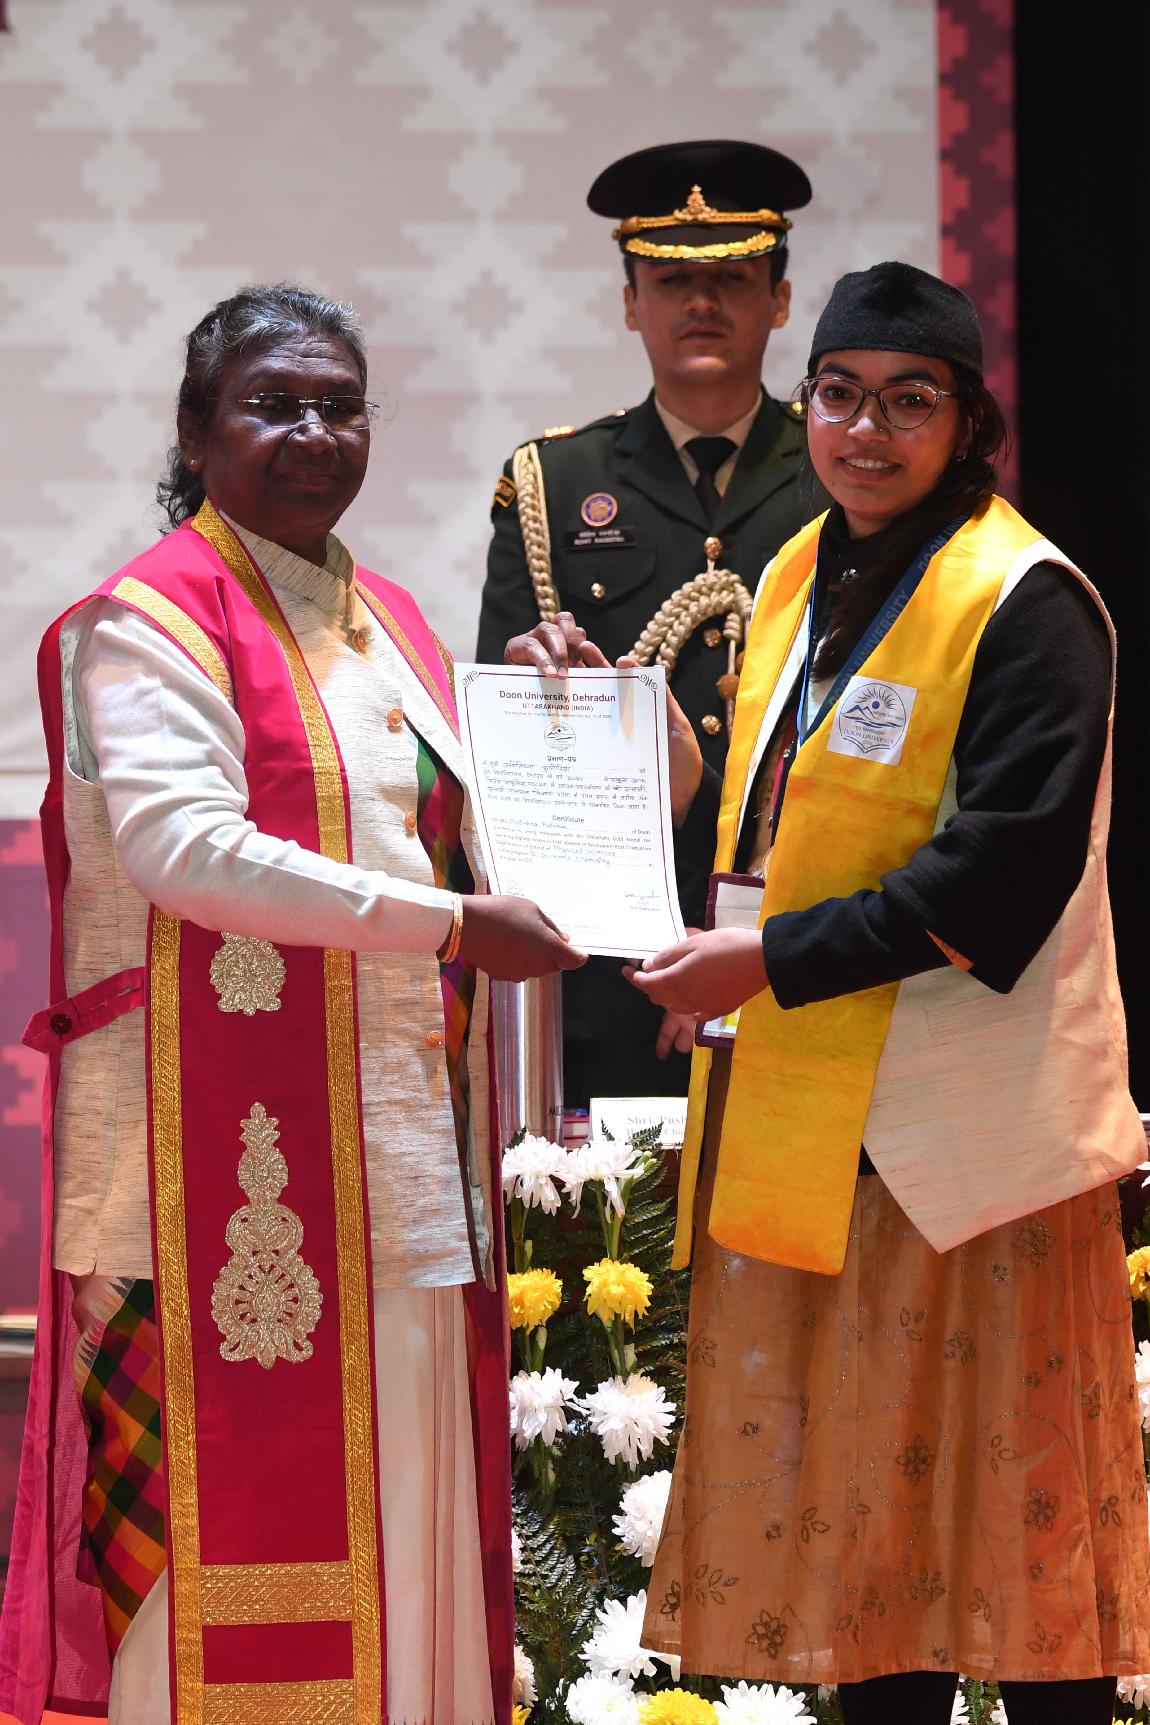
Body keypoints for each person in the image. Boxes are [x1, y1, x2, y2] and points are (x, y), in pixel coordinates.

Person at [512, 263, 1150, 1723]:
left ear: (968, 420)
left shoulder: (1026, 599)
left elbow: (999, 877)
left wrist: (763, 963)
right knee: (868, 1562)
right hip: (818, 1124)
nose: (867, 431)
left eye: (908, 402)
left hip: (973, 1145)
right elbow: (773, 810)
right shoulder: (805, 567)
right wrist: (602, 711)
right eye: (842, 396)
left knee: (1023, 1561)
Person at [0, 284, 584, 1725]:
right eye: (274, 404)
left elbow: (464, 838)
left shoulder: (390, 621)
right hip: (203, 1173)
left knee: (405, 1524)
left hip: (393, 1161)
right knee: (208, 1552)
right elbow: (184, 851)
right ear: (197, 431)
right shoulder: (150, 618)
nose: (314, 433)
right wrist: (455, 925)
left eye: (341, 405)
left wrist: (572, 722)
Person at [477, 138, 816, 1107]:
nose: (701, 303)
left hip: (794, 948)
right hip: (610, 961)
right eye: (670, 282)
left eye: (733, 280)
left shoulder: (839, 478)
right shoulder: (555, 483)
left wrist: (747, 933)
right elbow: (510, 756)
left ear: (779, 300)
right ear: (630, 302)